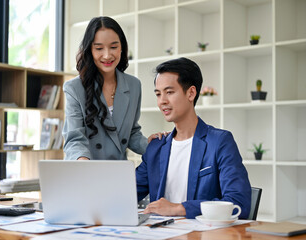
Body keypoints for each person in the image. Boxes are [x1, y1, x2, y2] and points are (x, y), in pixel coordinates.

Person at [136, 57, 251, 219]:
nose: (162, 101)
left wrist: (178, 208)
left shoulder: (220, 142)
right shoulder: (156, 147)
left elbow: (239, 204)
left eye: (169, 92)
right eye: (158, 94)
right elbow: (125, 195)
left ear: (191, 93)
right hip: (159, 233)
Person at [63, 16, 161, 160]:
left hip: (117, 172)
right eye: (99, 48)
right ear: (90, 50)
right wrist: (83, 161)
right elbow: (74, 138)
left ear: (122, 48)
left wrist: (149, 145)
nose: (107, 55)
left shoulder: (134, 85)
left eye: (114, 47)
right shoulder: (74, 88)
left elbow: (131, 133)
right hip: (84, 169)